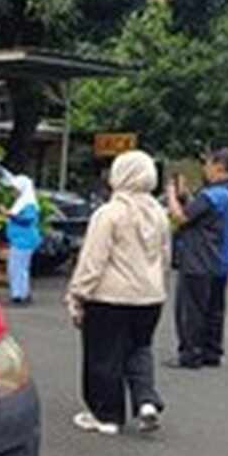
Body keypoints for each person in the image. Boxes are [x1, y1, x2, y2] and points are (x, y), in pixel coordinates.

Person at [65, 151, 171, 435]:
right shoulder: (159, 214)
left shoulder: (109, 213)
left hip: (110, 297)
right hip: (150, 296)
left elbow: (93, 260)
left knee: (103, 356)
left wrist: (78, 294)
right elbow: (165, 256)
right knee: (139, 349)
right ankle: (146, 401)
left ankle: (107, 415)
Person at [165, 148, 228, 369]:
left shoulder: (211, 195)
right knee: (214, 310)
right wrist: (187, 195)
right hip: (220, 261)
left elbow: (181, 217)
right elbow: (201, 212)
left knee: (192, 311)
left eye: (207, 164)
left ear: (218, 166)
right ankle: (211, 352)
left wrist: (171, 193)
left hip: (198, 261)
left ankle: (190, 354)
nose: (204, 169)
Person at [4, 174, 42, 304]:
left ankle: (19, 294)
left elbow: (28, 219)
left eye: (15, 189)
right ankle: (22, 292)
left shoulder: (27, 204)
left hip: (23, 240)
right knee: (20, 267)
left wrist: (11, 216)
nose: (13, 191)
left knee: (17, 267)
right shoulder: (24, 202)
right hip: (20, 239)